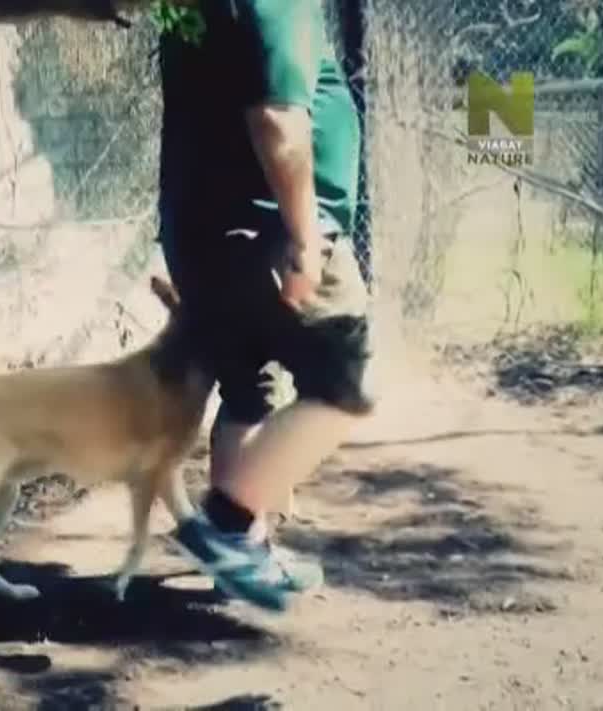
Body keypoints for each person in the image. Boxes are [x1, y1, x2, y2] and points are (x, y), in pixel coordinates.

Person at [156, 0, 378, 613]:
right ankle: (227, 527)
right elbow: (277, 119)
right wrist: (306, 238)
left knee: (247, 389)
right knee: (348, 384)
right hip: (272, 235)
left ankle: (242, 560)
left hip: (207, 232)